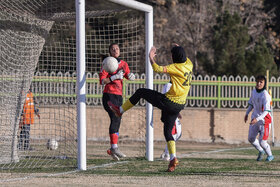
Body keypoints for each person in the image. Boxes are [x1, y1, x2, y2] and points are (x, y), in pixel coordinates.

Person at [108, 44, 193, 172]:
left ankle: (120, 111)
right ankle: (173, 158)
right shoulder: (189, 64)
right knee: (168, 132)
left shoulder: (175, 67)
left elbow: (158, 69)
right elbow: (183, 55)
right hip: (179, 105)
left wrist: (151, 57)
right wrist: (179, 47)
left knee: (141, 92)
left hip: (169, 102)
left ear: (174, 57)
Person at [99, 43, 135, 161]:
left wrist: (130, 76)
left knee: (117, 120)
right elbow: (102, 81)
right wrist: (114, 77)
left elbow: (127, 75)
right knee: (115, 118)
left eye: (117, 48)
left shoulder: (124, 64)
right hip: (109, 95)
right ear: (110, 51)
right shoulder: (107, 62)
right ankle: (114, 147)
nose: (115, 50)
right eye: (113, 49)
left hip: (119, 96)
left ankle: (112, 149)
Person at [244, 75, 274, 161]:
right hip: (255, 119)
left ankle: (270, 156)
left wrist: (257, 119)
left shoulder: (265, 95)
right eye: (258, 81)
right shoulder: (253, 92)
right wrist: (247, 113)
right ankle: (261, 151)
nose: (259, 83)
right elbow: (251, 104)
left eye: (261, 82)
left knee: (262, 142)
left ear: (264, 84)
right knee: (251, 138)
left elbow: (266, 111)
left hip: (265, 120)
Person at [160, 82, 182, 161]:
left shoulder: (177, 85)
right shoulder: (168, 86)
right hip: (170, 112)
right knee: (173, 134)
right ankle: (167, 154)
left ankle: (167, 151)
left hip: (174, 111)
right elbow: (166, 99)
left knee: (178, 134)